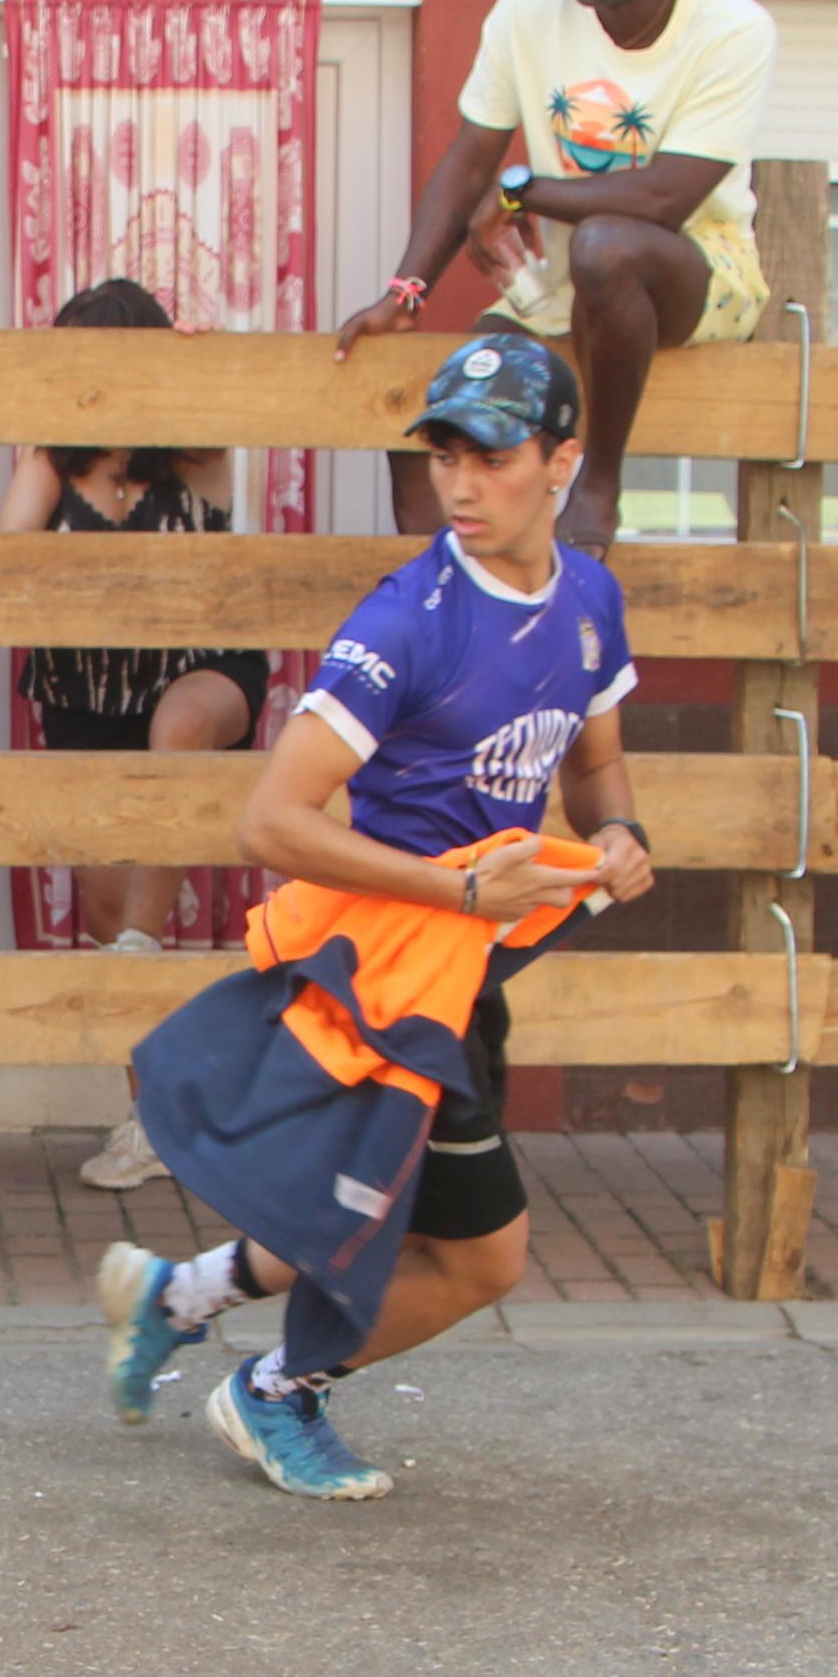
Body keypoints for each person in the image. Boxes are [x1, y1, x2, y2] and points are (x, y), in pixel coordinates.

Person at [93, 334, 658, 1502]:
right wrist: (462, 892)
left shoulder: (588, 602)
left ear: (560, 461)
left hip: (463, 973)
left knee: (365, 1203)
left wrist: (619, 834)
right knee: (480, 1258)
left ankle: (172, 1297)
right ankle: (271, 1391)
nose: (459, 484)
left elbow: (595, 766)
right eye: (444, 455)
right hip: (386, 983)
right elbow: (269, 822)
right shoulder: (405, 622)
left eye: (490, 456)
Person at [329, 0, 777, 549]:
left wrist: (521, 193)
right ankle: (453, 596)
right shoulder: (527, 6)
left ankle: (599, 487)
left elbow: (664, 199)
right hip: (570, 284)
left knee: (608, 245)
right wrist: (405, 292)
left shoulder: (731, 29)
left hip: (699, 272)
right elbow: (471, 158)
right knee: (433, 415)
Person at [0, 276, 272, 1191]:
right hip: (81, 693)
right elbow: (5, 556)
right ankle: (149, 1122)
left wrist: (198, 358)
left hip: (197, 667)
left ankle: (144, 944)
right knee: (105, 912)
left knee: (178, 726)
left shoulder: (193, 453)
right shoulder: (51, 457)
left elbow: (232, 404)